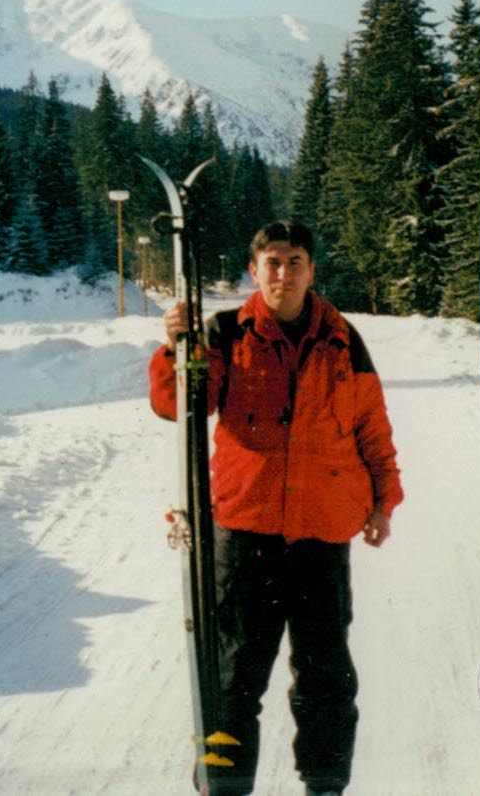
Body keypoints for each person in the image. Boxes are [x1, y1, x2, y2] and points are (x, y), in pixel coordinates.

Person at [149, 221, 403, 796]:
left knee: (326, 680)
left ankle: (324, 786)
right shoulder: (222, 331)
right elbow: (177, 406)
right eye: (272, 263)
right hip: (245, 535)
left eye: (294, 262)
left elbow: (371, 427)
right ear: (254, 271)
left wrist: (384, 499)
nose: (283, 274)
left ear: (312, 270)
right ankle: (226, 787)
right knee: (233, 679)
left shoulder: (343, 339)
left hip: (320, 536)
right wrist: (176, 348)